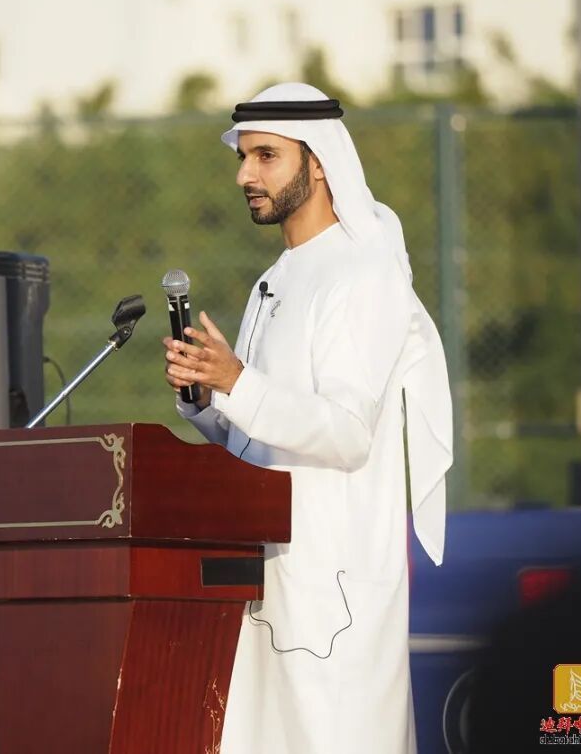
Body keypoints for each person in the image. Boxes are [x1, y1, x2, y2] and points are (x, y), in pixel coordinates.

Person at [162, 82, 453, 754]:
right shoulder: (278, 277)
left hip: (333, 585)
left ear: (319, 162)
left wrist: (238, 381)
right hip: (266, 579)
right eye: (242, 157)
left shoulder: (363, 271)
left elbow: (347, 432)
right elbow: (259, 436)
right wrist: (208, 399)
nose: (245, 175)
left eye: (266, 156)